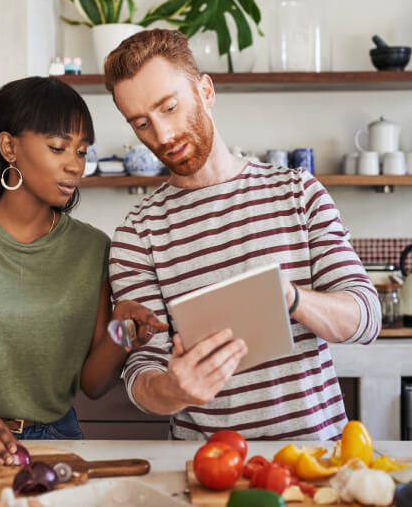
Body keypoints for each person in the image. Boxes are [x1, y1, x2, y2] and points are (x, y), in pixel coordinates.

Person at [103, 29, 381, 441]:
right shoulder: (136, 234)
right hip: (208, 469)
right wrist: (172, 390)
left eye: (170, 107)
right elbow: (141, 372)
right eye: (141, 123)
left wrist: (293, 297)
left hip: (315, 462)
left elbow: (365, 318)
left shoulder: (297, 192)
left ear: (206, 91)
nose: (161, 136)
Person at [0, 76, 167, 466]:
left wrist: (124, 332)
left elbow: (92, 384)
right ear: (9, 146)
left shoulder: (93, 249)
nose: (74, 164)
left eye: (82, 151)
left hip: (57, 442)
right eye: (59, 147)